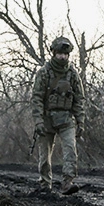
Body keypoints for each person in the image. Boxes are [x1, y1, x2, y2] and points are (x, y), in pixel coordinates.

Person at [31, 36, 86, 195]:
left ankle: (68, 182)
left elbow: (78, 99)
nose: (62, 56)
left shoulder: (72, 74)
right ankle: (44, 183)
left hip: (66, 119)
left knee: (70, 149)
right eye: (60, 53)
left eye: (65, 54)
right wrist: (38, 121)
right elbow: (37, 98)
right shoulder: (44, 73)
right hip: (47, 119)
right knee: (44, 155)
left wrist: (80, 121)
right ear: (54, 53)